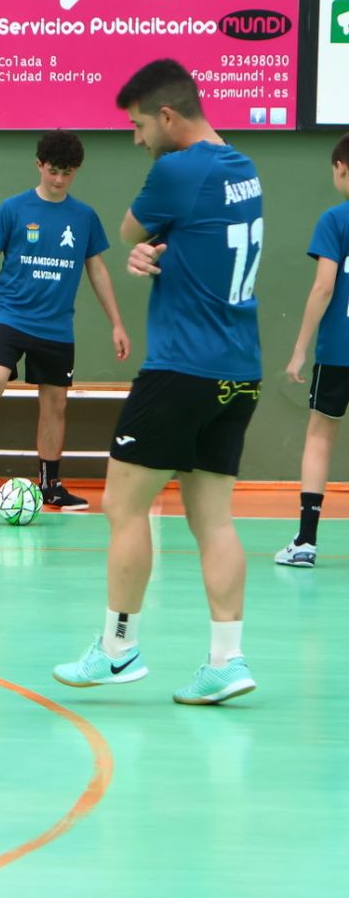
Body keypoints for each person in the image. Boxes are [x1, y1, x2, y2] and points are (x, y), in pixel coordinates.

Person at [53, 58, 261, 706]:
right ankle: (227, 660)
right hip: (238, 371)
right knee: (214, 519)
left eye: (139, 125)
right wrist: (156, 255)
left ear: (167, 116)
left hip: (180, 369)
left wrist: (143, 245)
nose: (137, 138)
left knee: (124, 505)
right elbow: (184, 242)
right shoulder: (243, 170)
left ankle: (118, 649)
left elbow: (127, 231)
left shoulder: (177, 169)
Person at [0, 131, 130, 509]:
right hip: (11, 316)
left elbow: (97, 271)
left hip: (56, 327)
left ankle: (50, 484)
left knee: (55, 405)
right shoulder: (13, 209)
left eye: (66, 172)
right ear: (39, 165)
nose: (58, 179)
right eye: (52, 171)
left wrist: (116, 323)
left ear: (75, 171)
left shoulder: (84, 217)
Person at [274, 134, 349, 569]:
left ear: (340, 168)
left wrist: (299, 349)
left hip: (338, 352)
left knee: (320, 436)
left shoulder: (335, 220)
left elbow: (323, 287)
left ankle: (306, 541)